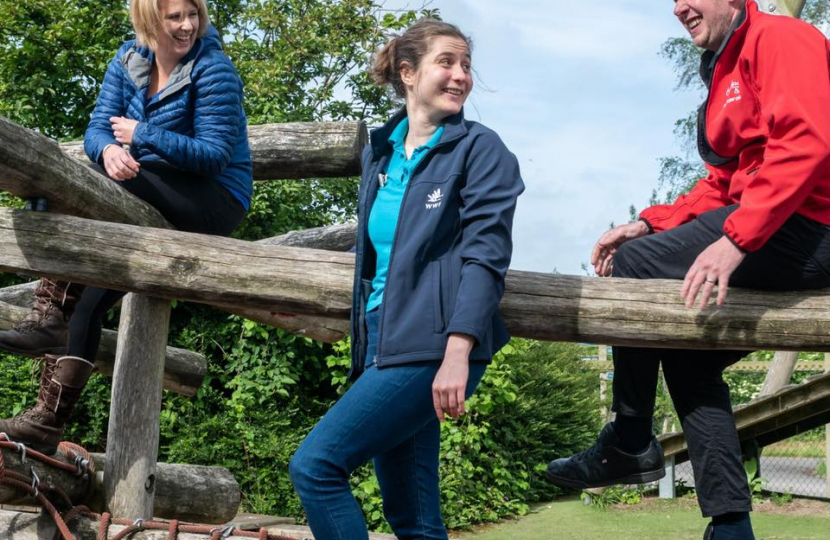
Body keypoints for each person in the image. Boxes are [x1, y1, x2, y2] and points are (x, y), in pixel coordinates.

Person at [546, 1, 830, 538]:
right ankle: (730, 522)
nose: (679, 6)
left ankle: (629, 437)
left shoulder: (783, 39)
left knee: (633, 267)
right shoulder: (723, 69)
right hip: (780, 227)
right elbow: (723, 186)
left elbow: (806, 142)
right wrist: (649, 225)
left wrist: (737, 239)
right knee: (686, 350)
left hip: (814, 225)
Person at [288, 19, 524, 540]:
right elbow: (379, 257)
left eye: (466, 64)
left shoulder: (480, 150)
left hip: (432, 348)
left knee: (316, 467)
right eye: (447, 62)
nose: (460, 75)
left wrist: (457, 353)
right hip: (381, 342)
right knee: (414, 520)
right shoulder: (382, 153)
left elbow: (486, 258)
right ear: (408, 72)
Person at [0, 0, 252, 455]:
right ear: (149, 18)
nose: (187, 25)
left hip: (213, 198)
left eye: (192, 14)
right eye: (175, 16)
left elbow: (214, 154)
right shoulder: (126, 59)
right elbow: (98, 127)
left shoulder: (214, 71)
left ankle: (45, 313)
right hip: (147, 187)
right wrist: (107, 152)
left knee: (83, 186)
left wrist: (142, 136)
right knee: (87, 306)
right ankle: (46, 422)